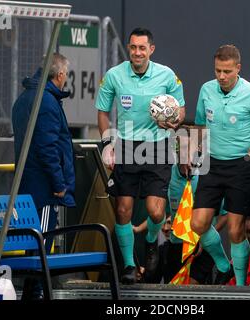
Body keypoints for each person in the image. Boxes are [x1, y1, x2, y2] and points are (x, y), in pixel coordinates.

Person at [95, 27, 185, 284]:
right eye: (133, 47)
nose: (137, 52)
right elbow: (102, 112)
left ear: (151, 50)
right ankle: (129, 266)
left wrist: (173, 121)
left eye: (142, 48)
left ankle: (150, 244)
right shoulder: (114, 75)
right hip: (125, 147)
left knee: (156, 212)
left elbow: (180, 111)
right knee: (123, 210)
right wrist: (107, 143)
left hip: (157, 148)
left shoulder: (167, 75)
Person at [191, 44, 250, 286]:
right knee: (197, 223)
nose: (221, 76)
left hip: (241, 167)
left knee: (236, 231)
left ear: (238, 68)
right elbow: (199, 127)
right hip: (212, 165)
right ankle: (222, 264)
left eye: (227, 71)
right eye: (218, 70)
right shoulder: (206, 90)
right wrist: (191, 152)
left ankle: (239, 287)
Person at [12, 53, 76, 298]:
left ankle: (32, 290)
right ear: (59, 75)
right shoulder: (47, 102)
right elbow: (48, 148)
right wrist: (59, 185)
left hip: (27, 184)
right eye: (65, 75)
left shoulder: (23, 98)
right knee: (42, 241)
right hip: (45, 188)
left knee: (32, 241)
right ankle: (34, 292)